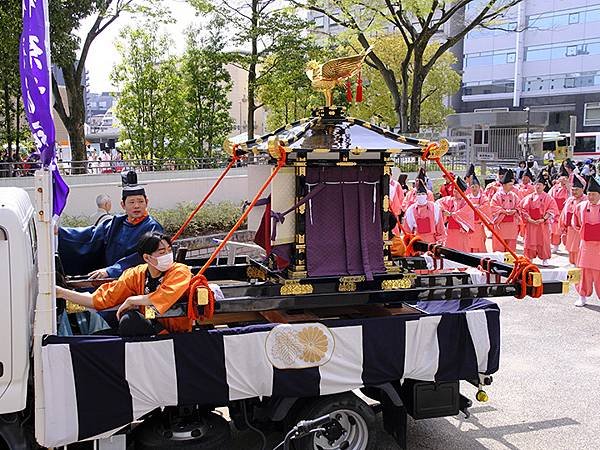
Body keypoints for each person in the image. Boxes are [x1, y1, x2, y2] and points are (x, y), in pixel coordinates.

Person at [56, 232, 193, 335]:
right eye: (162, 252)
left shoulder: (180, 271)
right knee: (98, 338)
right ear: (147, 257)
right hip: (150, 327)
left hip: (177, 333)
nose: (168, 255)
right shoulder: (135, 274)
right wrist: (62, 292)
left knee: (130, 320)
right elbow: (101, 299)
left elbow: (164, 296)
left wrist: (131, 300)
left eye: (169, 250)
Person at [58, 171, 163, 279]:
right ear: (123, 205)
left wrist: (112, 271)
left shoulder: (152, 227)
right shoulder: (116, 223)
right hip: (107, 276)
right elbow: (90, 236)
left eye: (140, 201)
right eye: (131, 202)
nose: (137, 206)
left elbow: (141, 257)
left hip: (135, 279)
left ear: (147, 202)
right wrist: (60, 233)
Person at [519, 173, 559, 266]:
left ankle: (545, 259)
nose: (537, 187)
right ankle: (530, 258)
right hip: (531, 223)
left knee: (543, 241)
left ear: (544, 186)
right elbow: (522, 208)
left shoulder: (548, 198)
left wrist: (544, 219)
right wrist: (528, 218)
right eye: (536, 184)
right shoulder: (529, 197)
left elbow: (552, 209)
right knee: (530, 240)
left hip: (542, 224)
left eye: (540, 185)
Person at [573, 176, 600, 306]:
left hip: (599, 247)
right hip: (585, 246)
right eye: (589, 194)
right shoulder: (581, 206)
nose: (591, 197)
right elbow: (576, 222)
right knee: (584, 273)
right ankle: (582, 296)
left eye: (594, 194)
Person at [403, 179, 445, 244]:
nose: (421, 196)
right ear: (415, 195)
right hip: (417, 243)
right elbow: (407, 231)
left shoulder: (435, 208)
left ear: (426, 195)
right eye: (419, 194)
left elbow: (440, 228)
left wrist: (440, 242)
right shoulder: (410, 210)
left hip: (432, 243)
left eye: (423, 194)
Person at [437, 178, 474, 252]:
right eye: (454, 190)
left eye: (457, 190)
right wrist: (442, 210)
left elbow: (465, 213)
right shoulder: (450, 200)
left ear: (463, 192)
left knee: (462, 251)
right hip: (450, 230)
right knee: (449, 250)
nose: (455, 192)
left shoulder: (467, 201)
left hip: (461, 231)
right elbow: (438, 203)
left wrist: (451, 214)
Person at [489, 169, 520, 252]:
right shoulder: (497, 196)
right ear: (504, 185)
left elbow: (519, 206)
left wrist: (514, 210)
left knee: (511, 246)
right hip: (501, 224)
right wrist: (503, 211)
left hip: (512, 225)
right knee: (499, 245)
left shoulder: (514, 195)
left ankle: (509, 264)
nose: (512, 187)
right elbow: (492, 207)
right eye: (510, 185)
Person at [560, 174, 587, 265]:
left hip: (580, 230)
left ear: (582, 190)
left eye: (576, 190)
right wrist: (563, 227)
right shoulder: (569, 200)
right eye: (573, 190)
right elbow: (564, 214)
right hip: (570, 229)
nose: (574, 192)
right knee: (571, 249)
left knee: (579, 249)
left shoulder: (586, 200)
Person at [466, 173, 490, 252]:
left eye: (476, 187)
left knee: (479, 244)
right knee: (468, 244)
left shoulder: (483, 198)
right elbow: (464, 209)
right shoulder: (467, 198)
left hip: (479, 225)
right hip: (469, 226)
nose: (474, 189)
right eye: (472, 187)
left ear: (479, 187)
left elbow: (486, 207)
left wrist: (476, 207)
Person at [548, 168, 570, 252]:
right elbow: (549, 197)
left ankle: (567, 245)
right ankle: (555, 245)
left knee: (565, 229)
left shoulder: (569, 188)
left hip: (565, 211)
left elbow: (571, 195)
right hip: (556, 211)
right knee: (555, 229)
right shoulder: (555, 187)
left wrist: (567, 185)